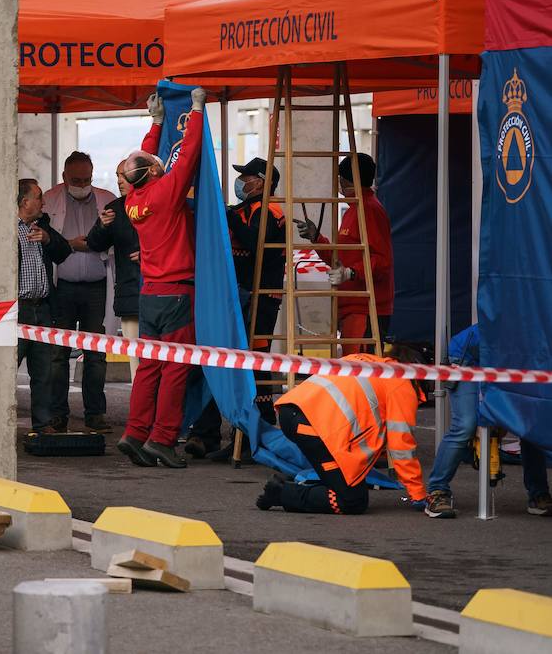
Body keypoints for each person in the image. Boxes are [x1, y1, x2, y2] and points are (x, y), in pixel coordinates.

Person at [115, 87, 206, 469]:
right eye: (155, 162)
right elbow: (186, 156)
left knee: (149, 366)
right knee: (175, 368)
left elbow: (137, 164)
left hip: (149, 293)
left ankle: (135, 433)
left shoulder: (134, 200)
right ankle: (163, 440)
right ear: (154, 171)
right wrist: (197, 111)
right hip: (177, 293)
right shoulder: (167, 191)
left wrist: (155, 124)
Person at [186, 157, 289, 459]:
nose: (240, 181)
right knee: (217, 363)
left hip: (260, 299)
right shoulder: (243, 210)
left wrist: (227, 216)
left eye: (245, 176)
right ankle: (205, 434)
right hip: (234, 299)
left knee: (254, 368)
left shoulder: (269, 211)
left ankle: (257, 436)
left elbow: (255, 243)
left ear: (260, 181)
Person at [255, 347, 427, 515]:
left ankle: (290, 488)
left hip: (295, 413)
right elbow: (401, 447)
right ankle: (282, 493)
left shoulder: (363, 358)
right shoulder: (402, 384)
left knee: (344, 482)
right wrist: (418, 494)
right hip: (313, 427)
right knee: (352, 501)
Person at [424, 326, 552, 518]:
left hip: (510, 363)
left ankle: (539, 494)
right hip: (467, 358)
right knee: (465, 425)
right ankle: (437, 491)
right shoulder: (526, 309)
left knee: (529, 427)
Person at [45, 152, 118, 433]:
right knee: (58, 354)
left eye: (86, 179)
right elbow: (45, 240)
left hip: (97, 288)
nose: (82, 184)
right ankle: (57, 414)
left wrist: (96, 245)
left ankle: (95, 414)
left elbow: (116, 238)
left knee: (96, 355)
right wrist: (72, 244)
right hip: (62, 287)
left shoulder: (107, 199)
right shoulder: (50, 200)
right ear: (64, 178)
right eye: (76, 180)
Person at [294, 154, 394, 344]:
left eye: (341, 178)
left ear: (347, 179)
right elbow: (340, 258)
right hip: (354, 308)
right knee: (353, 369)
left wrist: (352, 273)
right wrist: (317, 239)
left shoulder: (369, 210)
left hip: (366, 309)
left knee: (359, 369)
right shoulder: (354, 211)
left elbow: (383, 261)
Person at [16, 178, 72, 434]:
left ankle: (42, 424)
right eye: (39, 197)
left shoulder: (43, 224)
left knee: (43, 372)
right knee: (7, 369)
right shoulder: (5, 229)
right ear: (25, 201)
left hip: (43, 309)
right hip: (17, 311)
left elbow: (63, 252)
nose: (43, 202)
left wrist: (48, 239)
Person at [86, 163, 141, 374]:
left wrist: (150, 256)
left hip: (161, 296)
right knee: (136, 365)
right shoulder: (115, 209)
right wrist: (102, 226)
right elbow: (94, 244)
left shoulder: (159, 206)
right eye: (118, 176)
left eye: (124, 176)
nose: (119, 181)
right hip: (129, 294)